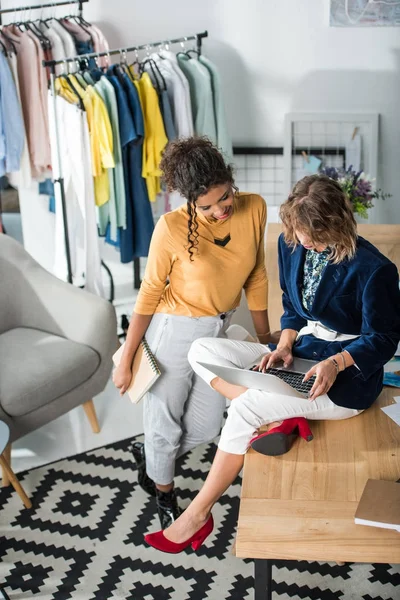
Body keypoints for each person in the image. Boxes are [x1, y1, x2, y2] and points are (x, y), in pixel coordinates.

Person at [144, 173, 400, 553]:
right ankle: (276, 413)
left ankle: (198, 514)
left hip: (346, 381)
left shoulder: (374, 269)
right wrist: (283, 344)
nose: (306, 243)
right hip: (301, 354)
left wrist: (337, 363)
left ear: (338, 224)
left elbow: (383, 340)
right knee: (202, 350)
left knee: (244, 409)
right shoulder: (291, 242)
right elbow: (294, 307)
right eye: (300, 233)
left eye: (315, 235)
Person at [113, 137, 277, 528]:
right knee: (165, 422)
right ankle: (164, 493)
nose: (219, 210)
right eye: (205, 207)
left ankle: (153, 455)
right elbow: (150, 293)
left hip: (218, 329)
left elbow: (255, 274)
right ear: (189, 200)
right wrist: (127, 356)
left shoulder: (254, 207)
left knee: (205, 426)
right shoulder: (170, 228)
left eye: (224, 199)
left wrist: (265, 337)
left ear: (230, 182)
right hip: (174, 331)